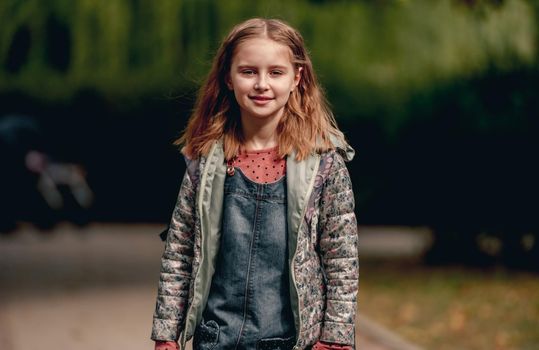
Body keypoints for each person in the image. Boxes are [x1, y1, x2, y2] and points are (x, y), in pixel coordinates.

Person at [151, 18, 358, 350]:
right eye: (248, 71)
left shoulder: (323, 162)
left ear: (296, 78)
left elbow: (341, 255)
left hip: (291, 341)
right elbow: (179, 250)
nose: (262, 83)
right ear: (228, 78)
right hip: (216, 337)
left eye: (275, 72)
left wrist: (335, 335)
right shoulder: (206, 161)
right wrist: (166, 333)